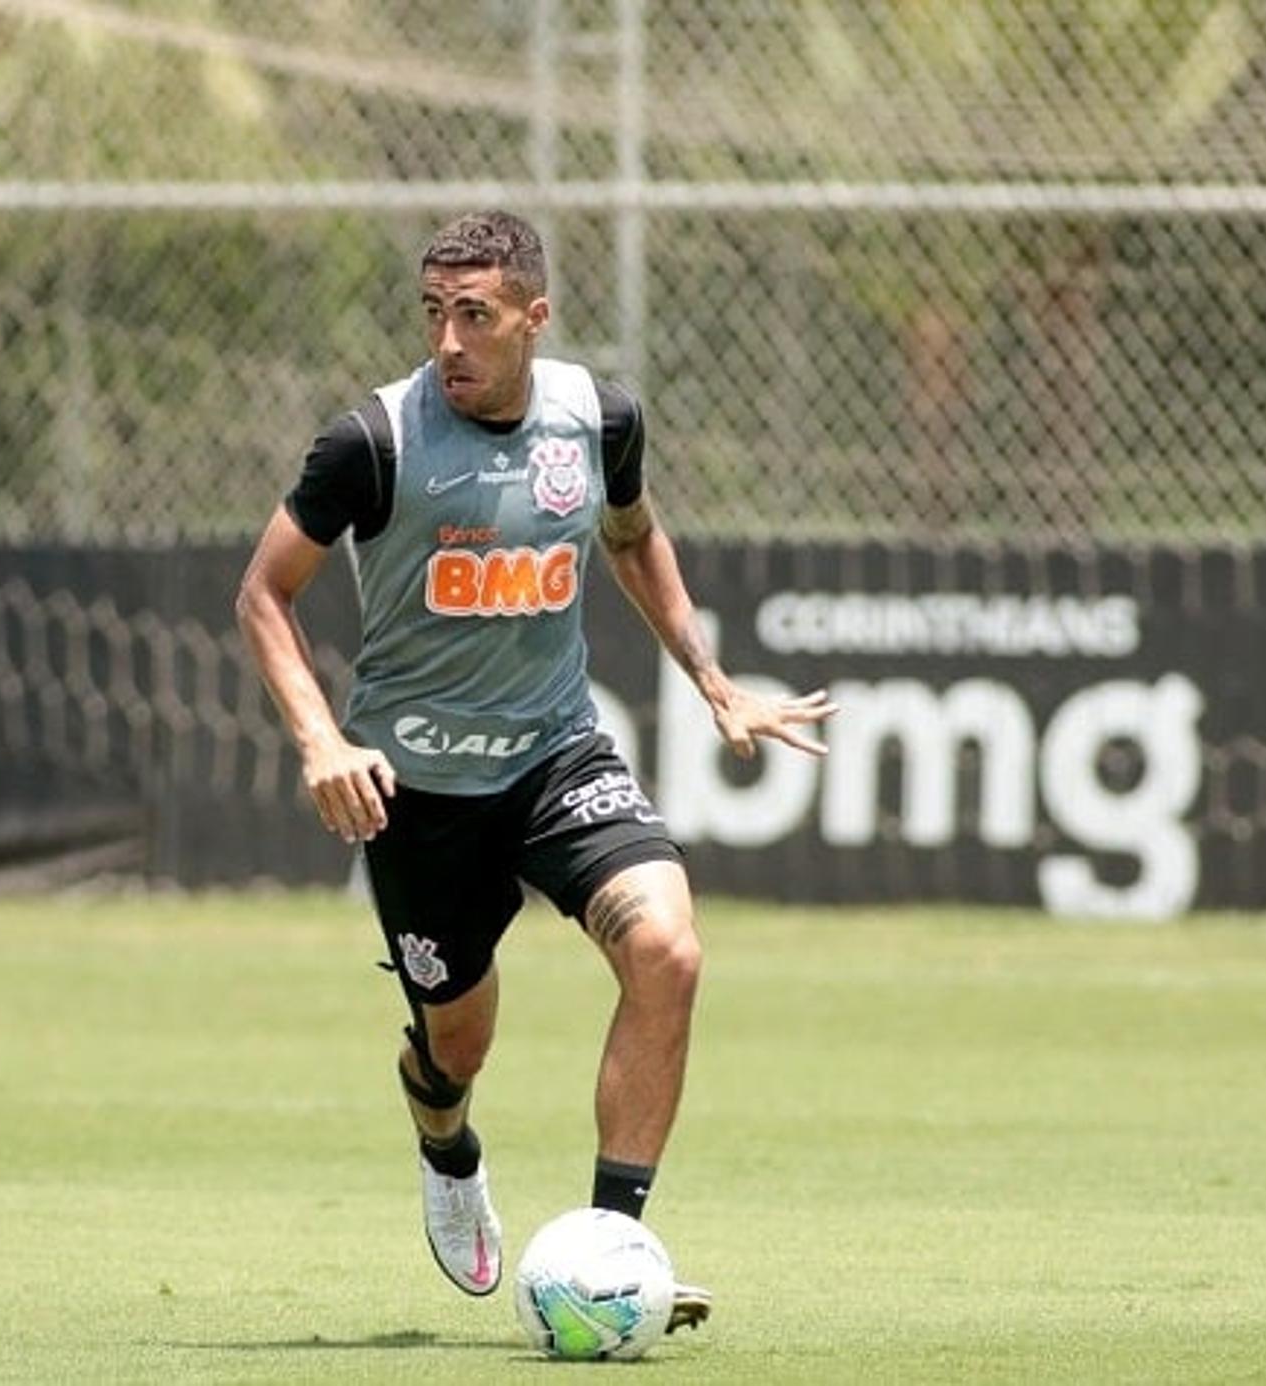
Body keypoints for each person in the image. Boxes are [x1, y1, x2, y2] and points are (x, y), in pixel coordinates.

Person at [234, 210, 835, 1327]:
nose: (448, 342)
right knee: (458, 1040)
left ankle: (616, 1248)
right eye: (432, 315)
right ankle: (446, 1143)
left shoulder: (598, 418)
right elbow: (263, 593)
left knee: (667, 947)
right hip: (415, 795)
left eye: (475, 316)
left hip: (557, 754)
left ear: (533, 318)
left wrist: (708, 676)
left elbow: (632, 533)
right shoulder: (374, 443)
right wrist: (322, 739)